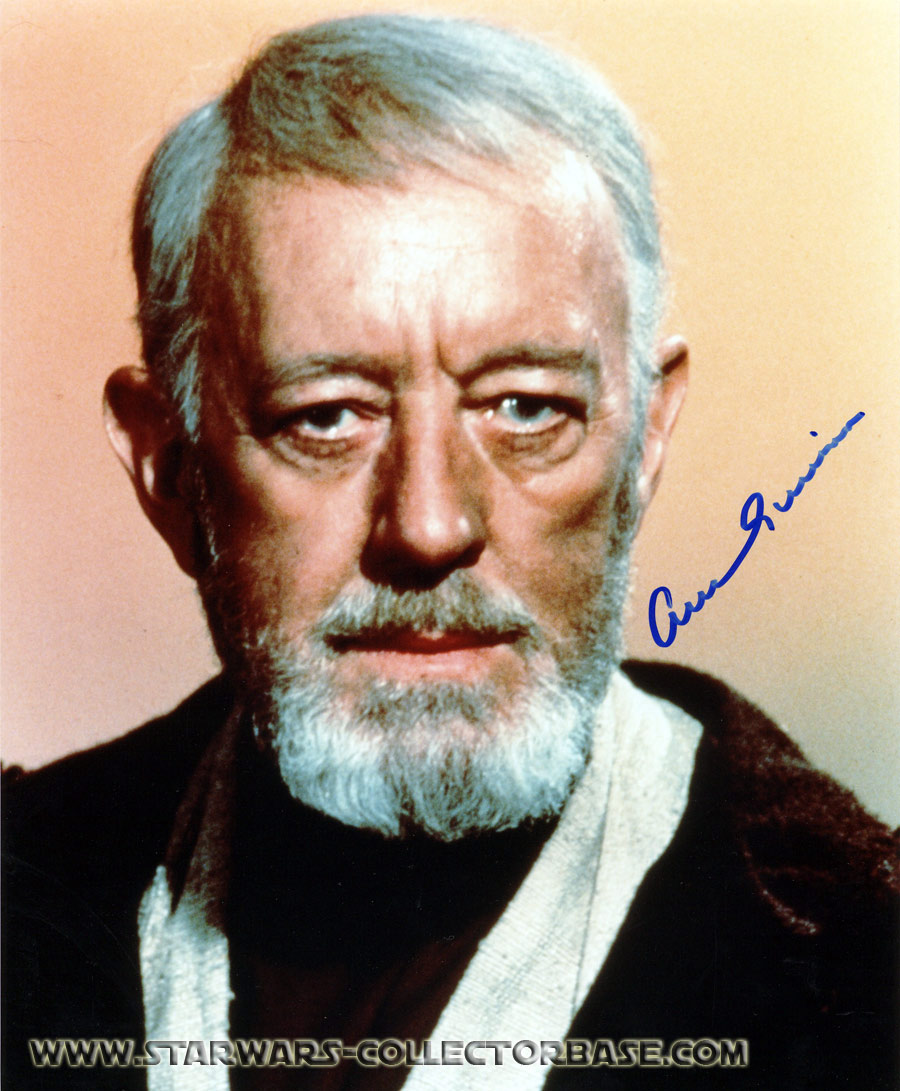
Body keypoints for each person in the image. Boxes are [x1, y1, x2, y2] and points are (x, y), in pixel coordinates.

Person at [3, 14, 896, 1090]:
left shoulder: (857, 973)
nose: (429, 526)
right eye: (327, 417)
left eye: (525, 407)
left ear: (646, 437)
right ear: (169, 466)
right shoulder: (26, 892)